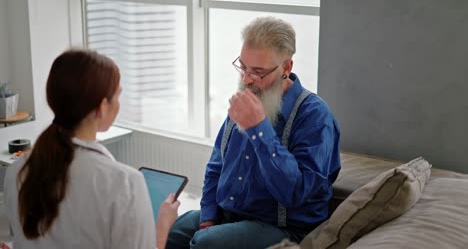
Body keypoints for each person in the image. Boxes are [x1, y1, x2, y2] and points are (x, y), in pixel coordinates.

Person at [166, 17, 341, 249]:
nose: (246, 80)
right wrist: (208, 218)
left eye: (257, 72)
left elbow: (295, 194)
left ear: (286, 68)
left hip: (283, 227)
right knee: (167, 231)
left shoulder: (315, 117)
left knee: (206, 243)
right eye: (243, 67)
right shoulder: (248, 97)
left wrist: (259, 129)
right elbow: (216, 167)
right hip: (230, 215)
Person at [3, 49, 180, 249]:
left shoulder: (16, 171)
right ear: (102, 107)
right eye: (118, 96)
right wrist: (162, 227)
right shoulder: (124, 183)